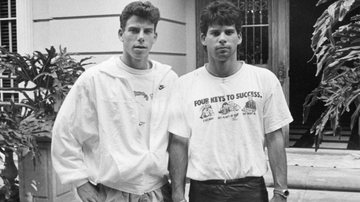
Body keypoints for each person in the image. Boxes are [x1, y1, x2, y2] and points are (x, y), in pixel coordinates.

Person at [51, 1, 178, 202]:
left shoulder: (168, 79)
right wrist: (80, 183)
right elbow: (65, 132)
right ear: (121, 34)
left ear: (155, 36)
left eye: (147, 31)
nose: (141, 38)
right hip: (112, 191)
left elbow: (178, 136)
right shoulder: (96, 78)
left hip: (159, 191)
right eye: (134, 30)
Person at [168, 1, 293, 202]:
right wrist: (177, 195)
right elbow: (178, 143)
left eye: (229, 32)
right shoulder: (184, 85)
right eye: (215, 33)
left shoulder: (263, 80)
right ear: (203, 38)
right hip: (203, 191)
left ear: (239, 37)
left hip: (250, 190)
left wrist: (280, 191)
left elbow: (274, 137)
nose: (222, 39)